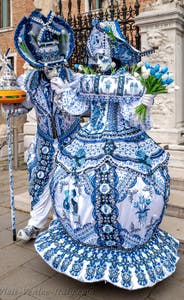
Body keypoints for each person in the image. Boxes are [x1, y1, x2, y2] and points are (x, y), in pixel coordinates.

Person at [34, 20, 179, 290]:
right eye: (96, 51)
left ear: (116, 54)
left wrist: (144, 102)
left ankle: (130, 240)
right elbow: (81, 107)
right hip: (88, 140)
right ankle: (83, 239)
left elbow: (134, 118)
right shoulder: (88, 79)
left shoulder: (128, 82)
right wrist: (62, 90)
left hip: (127, 141)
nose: (100, 57)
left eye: (105, 51)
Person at [12, 9, 80, 241]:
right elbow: (24, 107)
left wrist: (66, 92)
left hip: (71, 140)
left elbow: (84, 108)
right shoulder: (30, 80)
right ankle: (35, 223)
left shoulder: (72, 78)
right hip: (44, 141)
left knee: (71, 184)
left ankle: (68, 226)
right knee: (39, 180)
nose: (49, 64)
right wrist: (11, 107)